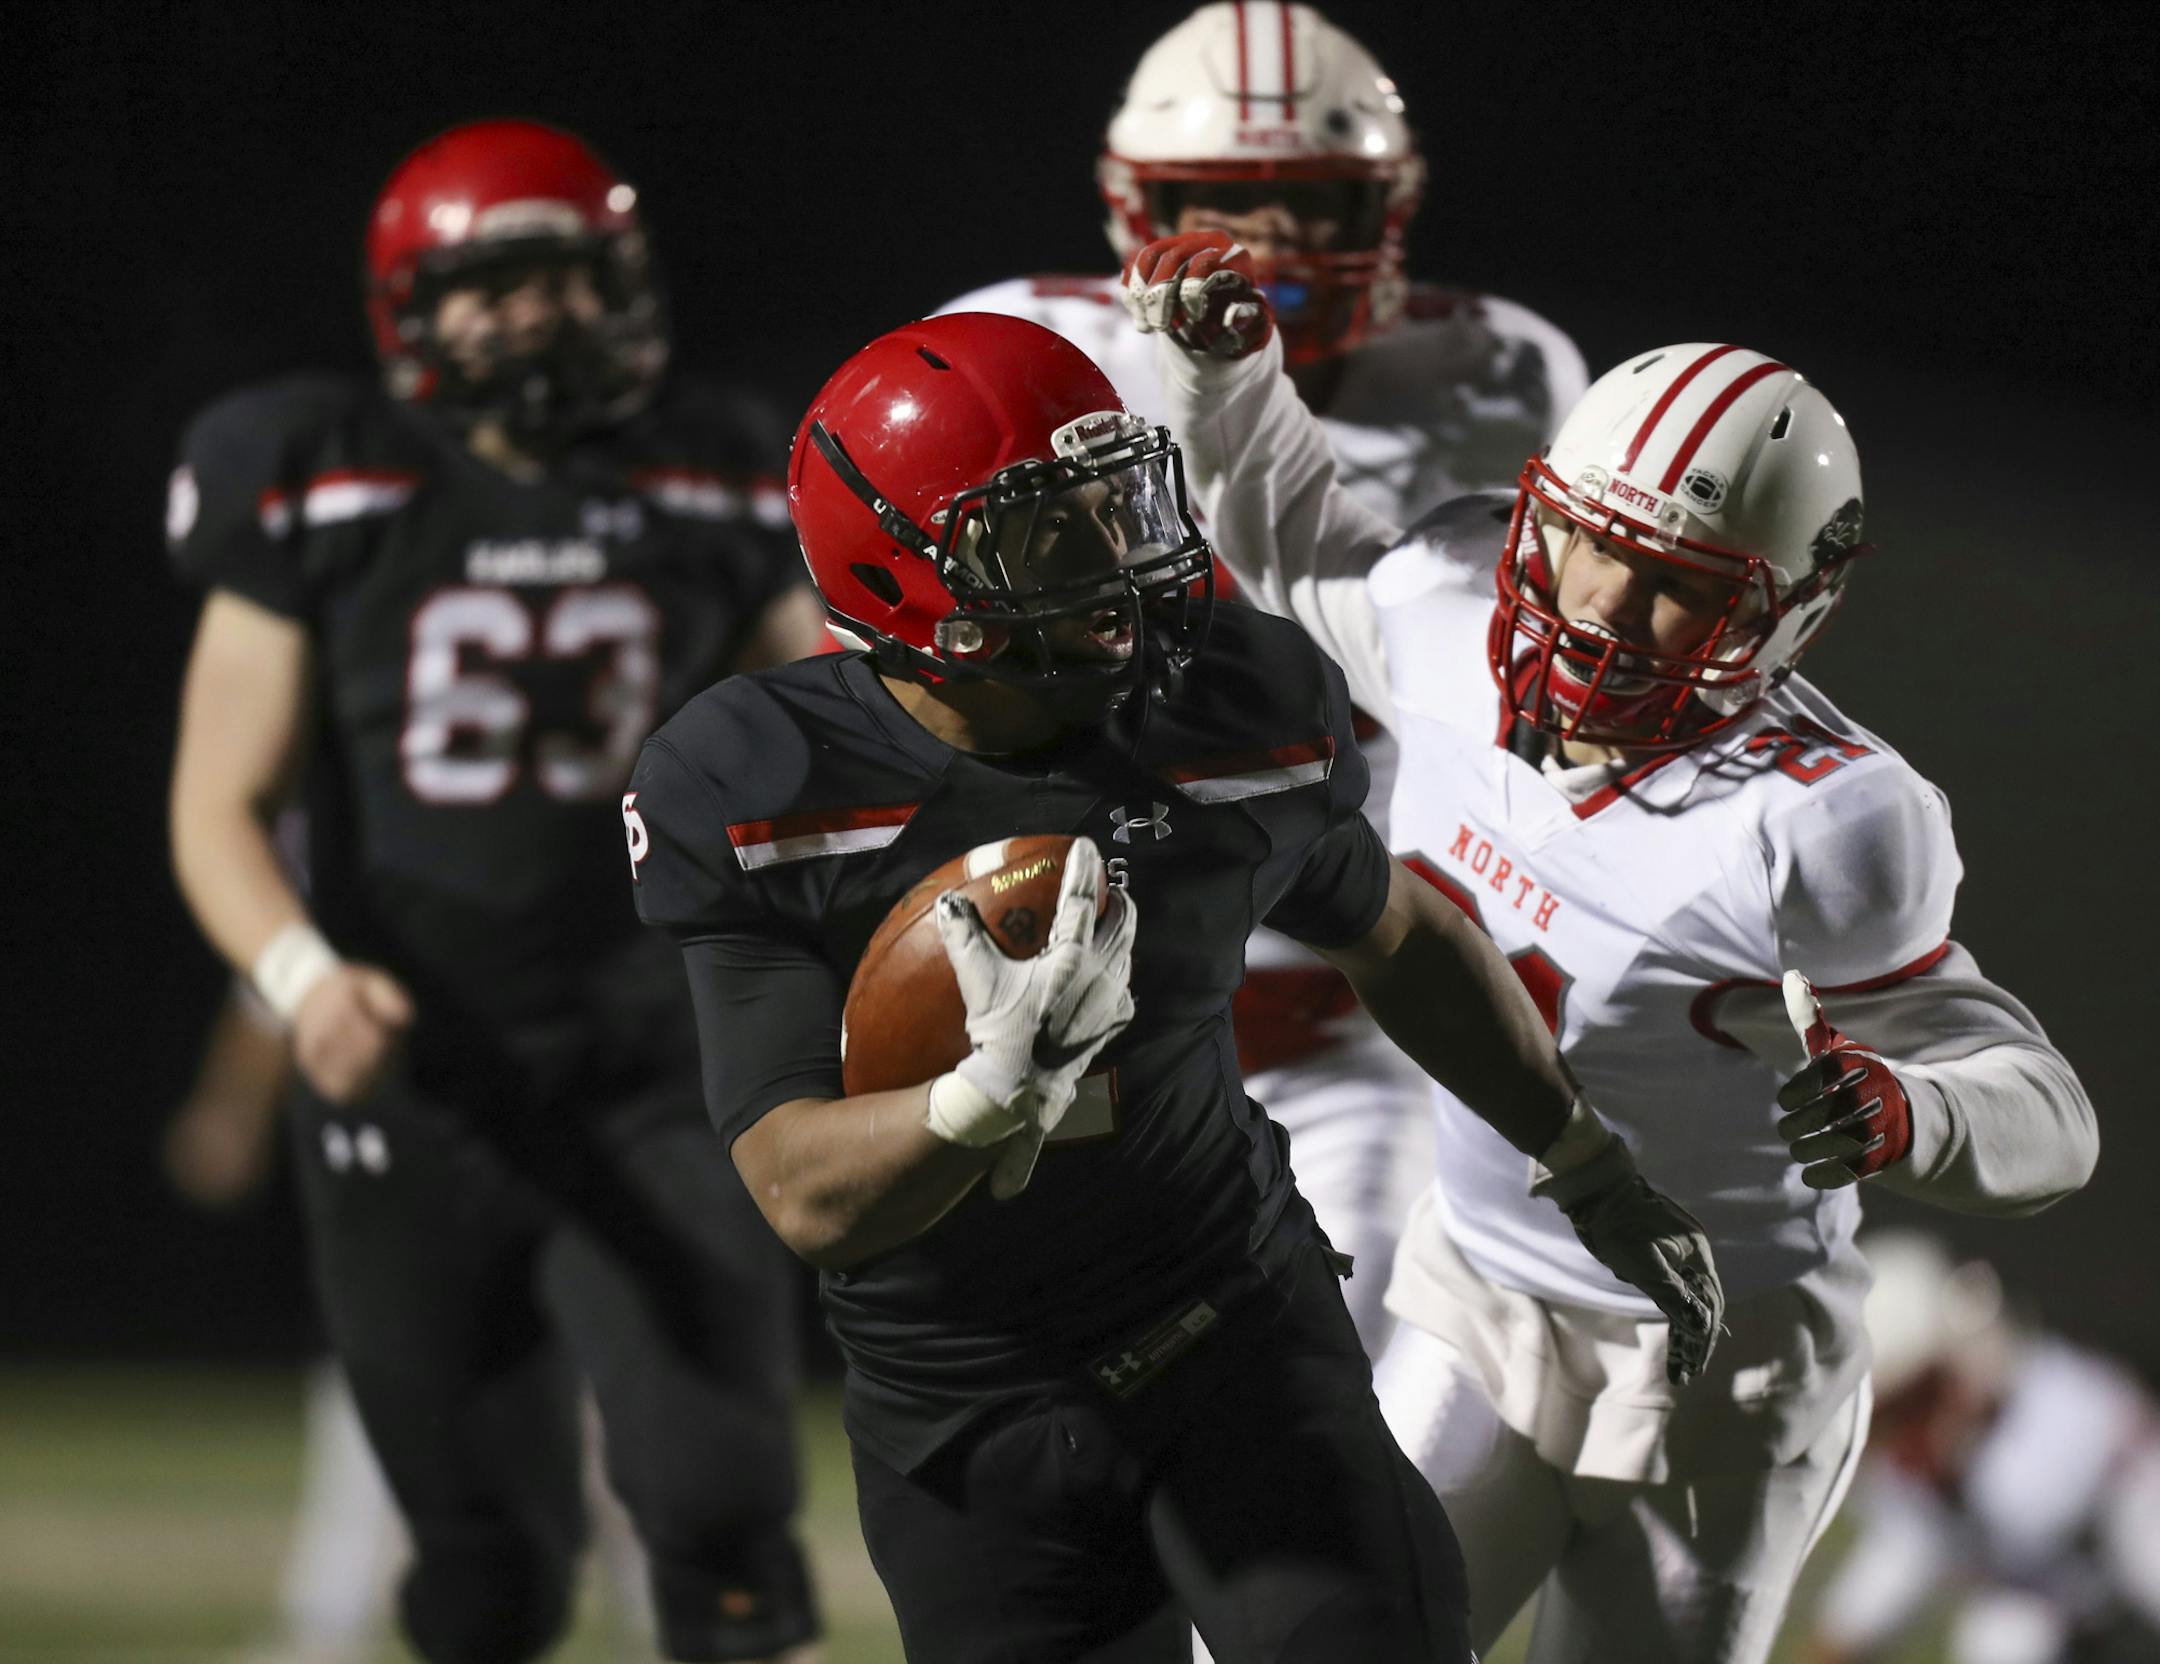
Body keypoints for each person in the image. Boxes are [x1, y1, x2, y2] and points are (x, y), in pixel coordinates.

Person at [623, 309, 1721, 1664]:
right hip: (964, 1410)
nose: (1120, 560)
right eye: (1050, 532)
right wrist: (976, 1102)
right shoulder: (766, 786)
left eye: (1120, 498)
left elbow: (1399, 933)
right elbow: (799, 1187)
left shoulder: (1228, 705)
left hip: (1237, 1339)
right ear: (903, 568)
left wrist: (1584, 1160)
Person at [1121, 232, 2099, 1662]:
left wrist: (1920, 1112)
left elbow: (2052, 1119)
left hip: (1724, 1369)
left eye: (1676, 583)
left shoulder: (1825, 825)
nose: (1597, 603)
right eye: (1585, 537)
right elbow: (1293, 546)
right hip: (1480, 1293)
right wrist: (1225, 380)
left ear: (1781, 613)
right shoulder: (1452, 617)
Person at [166, 118, 828, 1664]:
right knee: (482, 1571)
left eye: (569, 278)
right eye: (498, 284)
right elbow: (218, 804)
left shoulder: (717, 475)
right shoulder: (321, 476)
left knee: (722, 1511)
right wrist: (301, 982)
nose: (539, 316)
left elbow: (828, 740)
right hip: (419, 1078)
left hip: (654, 1067)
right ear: (412, 305)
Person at [938, 0, 1588, 1356]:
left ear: (1387, 207)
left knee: (1312, 1377)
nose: (1274, 242)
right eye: (1228, 205)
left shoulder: (1497, 376)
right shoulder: (1012, 350)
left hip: (1356, 992)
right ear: (1135, 205)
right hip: (1067, 991)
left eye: (1313, 200)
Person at [1801, 1232, 2160, 1664]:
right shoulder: (1928, 1471)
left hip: (2133, 1530)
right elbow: (1895, 1562)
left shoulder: (2057, 1398)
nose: (1898, 1432)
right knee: (1997, 1643)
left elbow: (2033, 1511)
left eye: (1911, 1402)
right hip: (2061, 1596)